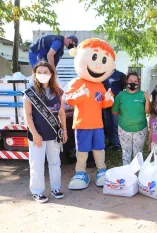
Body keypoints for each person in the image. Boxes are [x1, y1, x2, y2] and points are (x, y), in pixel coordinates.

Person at [64, 38, 115, 190]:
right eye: (94, 57)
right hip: (82, 124)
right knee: (82, 150)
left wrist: (109, 99)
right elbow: (68, 99)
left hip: (97, 124)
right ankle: (80, 172)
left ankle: (101, 170)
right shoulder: (76, 82)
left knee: (99, 149)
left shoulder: (100, 85)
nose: (98, 65)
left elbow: (105, 104)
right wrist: (80, 95)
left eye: (103, 60)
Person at [23, 61, 68, 203]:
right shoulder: (30, 93)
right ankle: (37, 191)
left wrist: (64, 130)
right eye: (39, 72)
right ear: (34, 74)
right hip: (37, 136)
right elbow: (27, 115)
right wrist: (35, 134)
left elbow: (61, 112)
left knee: (55, 163)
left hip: (54, 134)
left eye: (46, 72)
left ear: (51, 74)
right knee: (37, 164)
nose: (43, 75)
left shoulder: (57, 91)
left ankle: (56, 188)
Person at [112, 72, 151, 165]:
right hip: (124, 129)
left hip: (140, 130)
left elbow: (147, 111)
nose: (133, 83)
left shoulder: (143, 95)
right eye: (130, 80)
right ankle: (127, 175)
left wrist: (148, 99)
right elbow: (115, 111)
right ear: (126, 81)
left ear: (138, 82)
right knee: (126, 154)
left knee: (138, 154)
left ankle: (138, 175)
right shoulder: (120, 95)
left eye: (135, 81)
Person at [102, 69, 126, 150]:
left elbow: (124, 89)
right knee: (108, 124)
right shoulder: (102, 74)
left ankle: (117, 143)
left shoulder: (120, 75)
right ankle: (111, 142)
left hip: (116, 103)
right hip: (105, 103)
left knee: (116, 124)